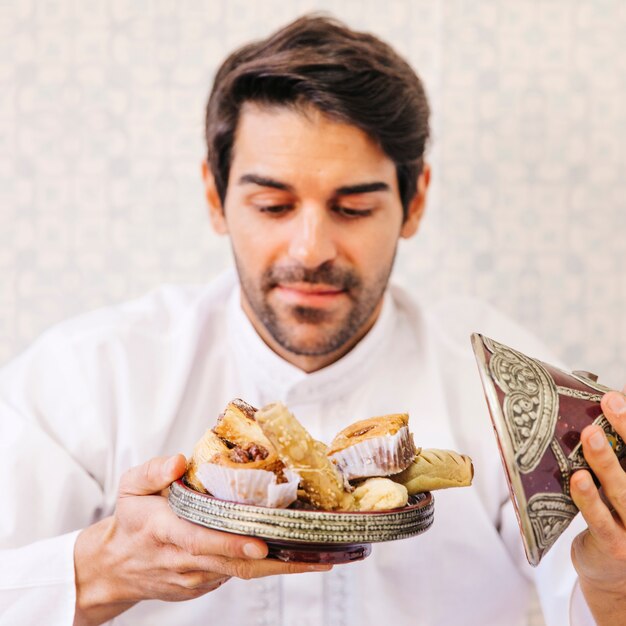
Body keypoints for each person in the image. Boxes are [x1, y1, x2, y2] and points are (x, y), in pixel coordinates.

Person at [0, 13, 624, 626]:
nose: (310, 249)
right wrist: (107, 567)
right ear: (216, 197)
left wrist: (613, 583)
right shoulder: (87, 377)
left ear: (415, 202)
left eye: (352, 208)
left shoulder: (505, 392)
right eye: (272, 205)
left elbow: (591, 593)